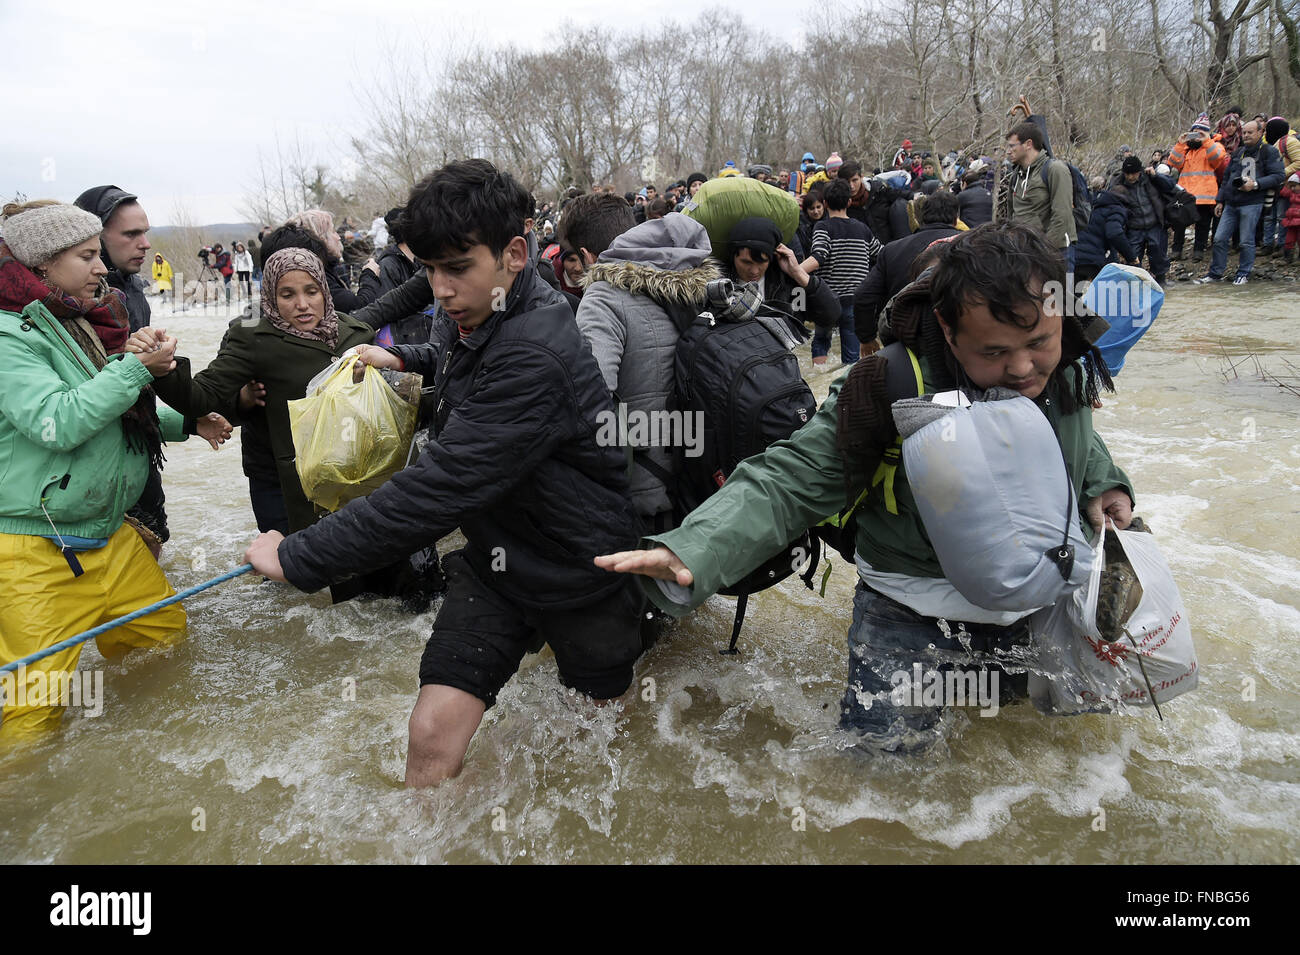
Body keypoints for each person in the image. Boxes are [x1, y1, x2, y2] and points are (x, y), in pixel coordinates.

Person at [595, 223, 1132, 754]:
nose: (1021, 367)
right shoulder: (889, 382)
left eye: (1038, 342)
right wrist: (695, 545)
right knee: (883, 784)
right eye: (993, 353)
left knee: (1055, 757)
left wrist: (1106, 484)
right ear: (948, 328)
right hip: (910, 615)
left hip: (1044, 606)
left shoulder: (1068, 361)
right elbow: (793, 476)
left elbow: (1071, 435)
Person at [242, 159, 646, 788]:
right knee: (430, 736)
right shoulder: (482, 311)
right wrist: (403, 355)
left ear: (515, 252)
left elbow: (437, 489)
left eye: (457, 268)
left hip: (581, 569)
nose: (440, 288)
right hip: (497, 561)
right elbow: (465, 367)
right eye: (429, 269)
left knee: (602, 746)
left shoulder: (539, 348)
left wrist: (297, 556)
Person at [0, 201, 226, 737]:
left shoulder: (74, 320)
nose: (102, 268)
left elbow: (117, 412)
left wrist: (187, 423)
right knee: (32, 711)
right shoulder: (9, 339)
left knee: (164, 644)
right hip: (35, 552)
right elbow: (58, 421)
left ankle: (140, 748)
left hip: (109, 534)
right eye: (85, 256)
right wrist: (133, 366)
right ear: (41, 264)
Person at [575, 212, 716, 530]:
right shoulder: (709, 295)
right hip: (710, 488)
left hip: (642, 501)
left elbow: (590, 401)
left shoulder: (603, 298)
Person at [853, 189, 961, 344]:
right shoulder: (970, 245)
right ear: (956, 219)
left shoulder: (891, 250)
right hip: (958, 336)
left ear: (921, 218)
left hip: (905, 339)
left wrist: (867, 338)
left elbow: (863, 296)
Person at [801, 179, 881, 367]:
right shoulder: (863, 229)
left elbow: (819, 255)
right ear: (849, 202)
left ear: (826, 204)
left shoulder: (822, 227)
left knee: (820, 342)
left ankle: (818, 372)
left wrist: (793, 271)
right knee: (852, 355)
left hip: (827, 300)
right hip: (855, 300)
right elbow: (880, 254)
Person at [1195, 118, 1284, 285]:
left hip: (1253, 202)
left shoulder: (1268, 151)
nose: (1246, 135)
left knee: (1246, 240)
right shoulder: (1238, 152)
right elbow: (1228, 177)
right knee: (1219, 238)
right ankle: (1215, 273)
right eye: (1244, 132)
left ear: (1260, 133)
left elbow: (1278, 176)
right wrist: (1220, 200)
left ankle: (1243, 273)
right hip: (1231, 203)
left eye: (1250, 132)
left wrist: (1256, 184)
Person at [723, 217, 839, 331]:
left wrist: (798, 273)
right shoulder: (719, 284)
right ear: (733, 257)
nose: (754, 271)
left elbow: (830, 317)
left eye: (762, 262)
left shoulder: (787, 284)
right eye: (746, 262)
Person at [1005, 121, 1076, 263]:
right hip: (1023, 251)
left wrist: (1045, 251)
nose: (1008, 151)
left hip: (1055, 252)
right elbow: (1012, 213)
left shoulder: (1055, 169)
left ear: (1028, 144)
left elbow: (1062, 215)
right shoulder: (1016, 175)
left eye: (1012, 146)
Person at [1167, 113, 1229, 263]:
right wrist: (1180, 143)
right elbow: (1173, 162)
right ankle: (1177, 250)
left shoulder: (1215, 145)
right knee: (1179, 223)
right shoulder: (1186, 149)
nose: (1196, 137)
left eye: (1200, 133)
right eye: (1194, 133)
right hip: (1185, 194)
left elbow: (1217, 158)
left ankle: (1198, 251)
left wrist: (1206, 140)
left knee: (1203, 225)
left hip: (1205, 195)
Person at [1109, 156, 1175, 285]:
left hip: (1154, 225)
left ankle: (1161, 284)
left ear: (1139, 172)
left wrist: (1157, 176)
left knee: (1159, 257)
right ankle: (1135, 288)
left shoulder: (1150, 178)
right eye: (1127, 174)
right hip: (1133, 228)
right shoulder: (1116, 185)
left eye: (1133, 174)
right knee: (1133, 261)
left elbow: (1170, 185)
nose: (1130, 177)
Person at [1072, 185, 1136, 283]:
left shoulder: (1093, 205)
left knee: (1069, 297)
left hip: (1074, 255)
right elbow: (1114, 234)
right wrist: (1131, 257)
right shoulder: (1117, 209)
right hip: (1092, 259)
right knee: (1110, 292)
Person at [1261, 117, 1300, 256]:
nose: (1265, 133)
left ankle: (1282, 245)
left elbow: (1299, 162)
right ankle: (1268, 244)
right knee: (1269, 216)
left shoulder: (1289, 142)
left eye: (1268, 130)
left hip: (1286, 185)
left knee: (1282, 216)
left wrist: (1280, 174)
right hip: (1273, 185)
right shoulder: (1273, 144)